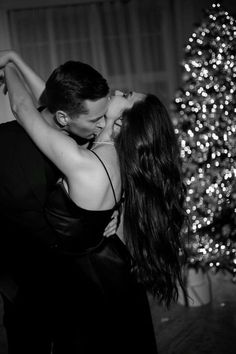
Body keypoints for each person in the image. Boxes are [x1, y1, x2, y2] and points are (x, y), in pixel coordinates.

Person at [3, 60, 186, 354]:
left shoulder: (85, 164)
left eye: (125, 95)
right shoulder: (109, 149)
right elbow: (62, 106)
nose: (118, 91)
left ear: (121, 122)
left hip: (90, 280)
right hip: (108, 264)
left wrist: (7, 64)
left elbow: (24, 109)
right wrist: (19, 59)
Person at [0, 51, 117, 354]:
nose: (104, 125)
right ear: (64, 117)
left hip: (79, 289)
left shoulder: (84, 142)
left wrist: (110, 216)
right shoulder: (4, 142)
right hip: (23, 291)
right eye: (96, 118)